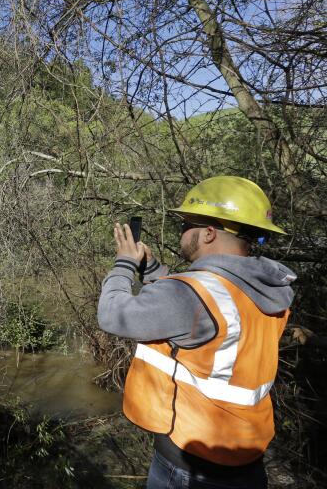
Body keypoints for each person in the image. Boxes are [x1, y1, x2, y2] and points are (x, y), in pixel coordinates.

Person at [98, 176, 295, 489]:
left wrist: (124, 264)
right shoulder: (266, 288)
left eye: (185, 223)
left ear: (208, 232)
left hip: (190, 467)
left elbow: (112, 314)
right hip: (247, 458)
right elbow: (201, 305)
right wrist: (151, 269)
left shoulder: (191, 296)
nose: (181, 232)